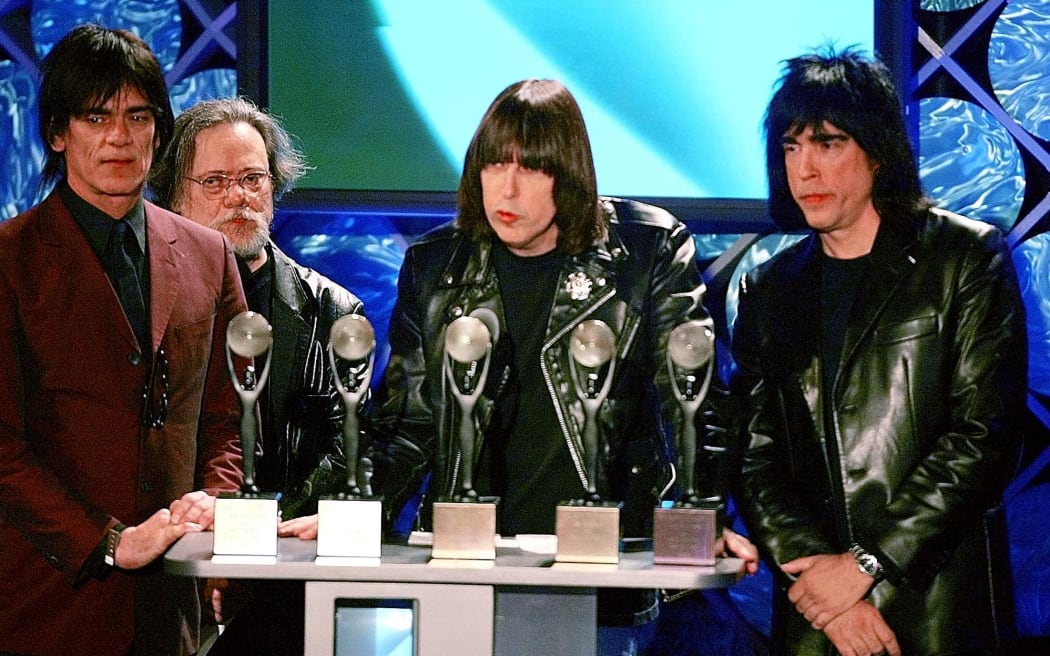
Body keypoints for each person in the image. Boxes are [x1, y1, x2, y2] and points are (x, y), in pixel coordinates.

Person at [366, 78, 757, 654]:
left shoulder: (644, 250)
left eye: (533, 169)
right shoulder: (435, 264)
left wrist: (703, 513)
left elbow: (693, 401)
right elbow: (407, 422)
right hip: (468, 562)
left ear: (569, 175)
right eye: (495, 164)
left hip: (602, 569)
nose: (508, 186)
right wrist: (354, 506)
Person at [730, 48, 1026, 656]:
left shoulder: (964, 261)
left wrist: (866, 565)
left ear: (878, 149)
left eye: (827, 144)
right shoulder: (769, 288)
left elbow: (983, 436)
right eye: (791, 148)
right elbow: (755, 454)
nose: (805, 170)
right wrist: (828, 592)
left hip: (935, 609)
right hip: (816, 617)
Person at [0, 24, 247, 656]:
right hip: (47, 603)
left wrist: (211, 501)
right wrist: (110, 541)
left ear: (159, 132)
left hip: (172, 611)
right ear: (58, 133)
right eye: (96, 116)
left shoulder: (209, 253)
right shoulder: (10, 260)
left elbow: (229, 416)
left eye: (138, 117)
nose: (119, 136)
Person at [150, 96, 366, 655]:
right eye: (215, 182)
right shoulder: (140, 307)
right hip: (158, 577)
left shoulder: (335, 314)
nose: (239, 198)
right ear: (174, 194)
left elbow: (349, 459)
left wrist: (250, 536)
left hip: (286, 591)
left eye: (252, 179)